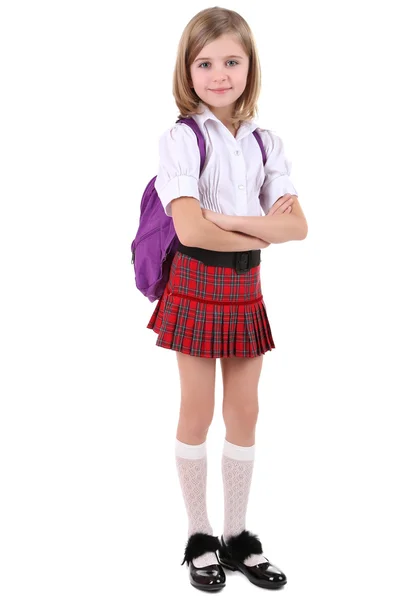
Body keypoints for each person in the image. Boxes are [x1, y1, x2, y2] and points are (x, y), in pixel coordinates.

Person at [146, 6, 308, 592]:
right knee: (197, 410)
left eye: (232, 61)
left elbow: (298, 228)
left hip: (245, 285)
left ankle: (238, 537)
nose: (220, 74)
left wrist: (224, 217)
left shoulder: (268, 141)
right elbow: (190, 232)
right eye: (206, 62)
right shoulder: (181, 140)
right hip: (195, 283)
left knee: (245, 411)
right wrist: (257, 224)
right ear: (187, 71)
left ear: (250, 66)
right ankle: (199, 535)